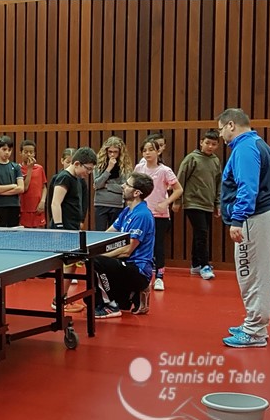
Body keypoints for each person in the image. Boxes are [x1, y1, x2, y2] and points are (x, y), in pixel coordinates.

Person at [217, 108, 270, 348]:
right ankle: (255, 325)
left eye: (221, 129)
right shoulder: (259, 144)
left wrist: (237, 219)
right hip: (266, 214)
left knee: (251, 273)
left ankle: (254, 331)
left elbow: (247, 187)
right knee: (261, 273)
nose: (220, 134)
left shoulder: (245, 148)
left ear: (231, 125)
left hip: (254, 218)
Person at [92, 172, 156, 318]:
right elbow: (108, 234)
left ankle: (111, 306)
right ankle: (131, 295)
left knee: (96, 261)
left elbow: (127, 250)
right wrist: (91, 247)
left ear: (136, 193)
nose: (122, 186)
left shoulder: (142, 215)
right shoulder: (127, 211)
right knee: (91, 301)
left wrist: (98, 254)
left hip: (137, 269)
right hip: (124, 264)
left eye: (127, 184)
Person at [47, 146, 97, 313]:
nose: (88, 173)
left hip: (72, 228)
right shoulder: (64, 178)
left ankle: (61, 298)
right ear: (77, 164)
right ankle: (59, 300)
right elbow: (55, 203)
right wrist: (59, 228)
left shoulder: (77, 179)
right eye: (87, 169)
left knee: (71, 265)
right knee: (68, 266)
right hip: (64, 230)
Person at [171, 129, 222, 280]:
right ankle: (205, 265)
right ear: (201, 142)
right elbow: (180, 179)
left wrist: (217, 203)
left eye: (214, 144)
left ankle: (195, 264)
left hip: (208, 203)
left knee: (200, 234)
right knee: (202, 233)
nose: (210, 146)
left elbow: (218, 183)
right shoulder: (191, 159)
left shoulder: (215, 161)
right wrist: (177, 201)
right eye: (207, 143)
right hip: (193, 202)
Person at [134, 135, 183, 292]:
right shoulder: (139, 168)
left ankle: (160, 277)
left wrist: (166, 203)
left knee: (157, 246)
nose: (147, 153)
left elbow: (178, 189)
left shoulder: (164, 170)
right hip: (142, 215)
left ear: (158, 152)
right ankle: (144, 276)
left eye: (151, 150)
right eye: (145, 150)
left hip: (159, 215)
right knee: (140, 245)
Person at [92, 136, 133, 231]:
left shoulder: (125, 166)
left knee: (114, 235)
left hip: (117, 204)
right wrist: (109, 168)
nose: (112, 155)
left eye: (115, 152)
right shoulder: (99, 164)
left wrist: (106, 185)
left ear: (120, 152)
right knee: (99, 234)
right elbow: (97, 185)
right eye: (110, 152)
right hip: (101, 203)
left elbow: (124, 188)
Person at [0, 135, 24, 227]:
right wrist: (12, 186)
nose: (7, 152)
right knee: (0, 231)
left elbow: (21, 188)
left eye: (9, 150)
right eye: (4, 149)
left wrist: (0, 191)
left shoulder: (16, 167)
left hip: (14, 205)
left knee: (14, 230)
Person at [18, 139, 47, 228]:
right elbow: (24, 188)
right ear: (20, 153)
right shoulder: (17, 169)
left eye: (31, 152)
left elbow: (44, 187)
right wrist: (29, 169)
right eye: (26, 152)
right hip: (24, 209)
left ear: (34, 154)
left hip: (38, 208)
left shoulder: (40, 168)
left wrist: (43, 201)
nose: (29, 154)